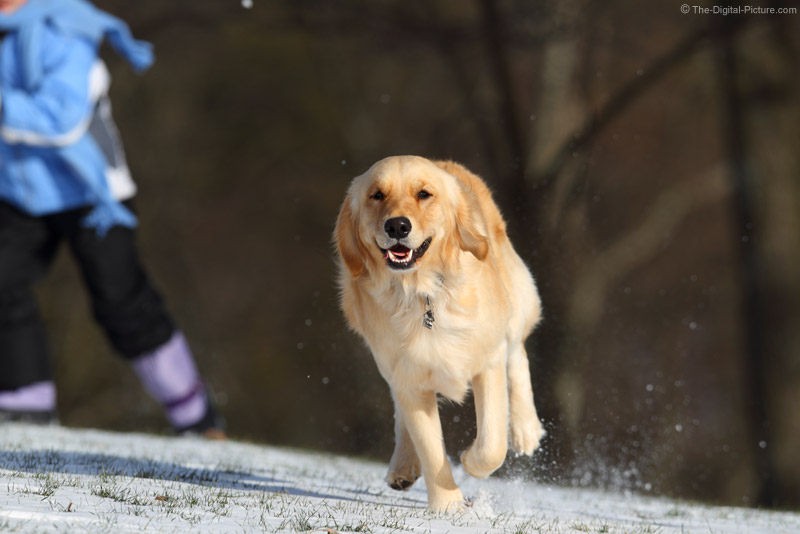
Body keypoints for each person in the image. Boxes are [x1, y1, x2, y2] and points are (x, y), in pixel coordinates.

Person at [0, 0, 224, 438]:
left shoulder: (65, 27)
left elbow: (60, 119)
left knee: (120, 301)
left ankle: (196, 417)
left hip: (93, 192)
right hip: (18, 192)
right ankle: (25, 408)